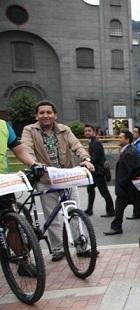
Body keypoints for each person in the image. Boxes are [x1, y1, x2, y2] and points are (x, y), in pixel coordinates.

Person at [21, 100, 95, 262]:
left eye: (49, 112)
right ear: (37, 115)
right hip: (46, 178)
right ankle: (58, 248)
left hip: (67, 177)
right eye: (42, 113)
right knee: (53, 216)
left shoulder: (64, 129)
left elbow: (76, 145)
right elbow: (26, 148)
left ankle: (81, 246)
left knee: (74, 212)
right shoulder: (30, 130)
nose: (45, 115)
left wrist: (85, 159)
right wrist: (35, 165)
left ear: (55, 115)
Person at [0, 119, 43, 276]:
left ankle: (22, 262)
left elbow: (19, 151)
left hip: (2, 182)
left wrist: (34, 164)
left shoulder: (3, 126)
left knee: (12, 223)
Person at [103, 131, 140, 235]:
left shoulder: (129, 152)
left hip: (126, 187)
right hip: (126, 187)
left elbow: (131, 171)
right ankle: (116, 227)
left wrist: (122, 184)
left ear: (127, 139)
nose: (118, 139)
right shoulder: (127, 151)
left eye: (121, 137)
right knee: (120, 207)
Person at [84, 124, 114, 217]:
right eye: (85, 131)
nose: (87, 132)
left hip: (98, 172)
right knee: (90, 190)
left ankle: (111, 211)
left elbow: (95, 158)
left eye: (89, 131)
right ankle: (89, 209)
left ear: (94, 132)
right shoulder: (92, 142)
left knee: (104, 192)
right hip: (94, 172)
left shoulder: (96, 142)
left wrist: (86, 162)